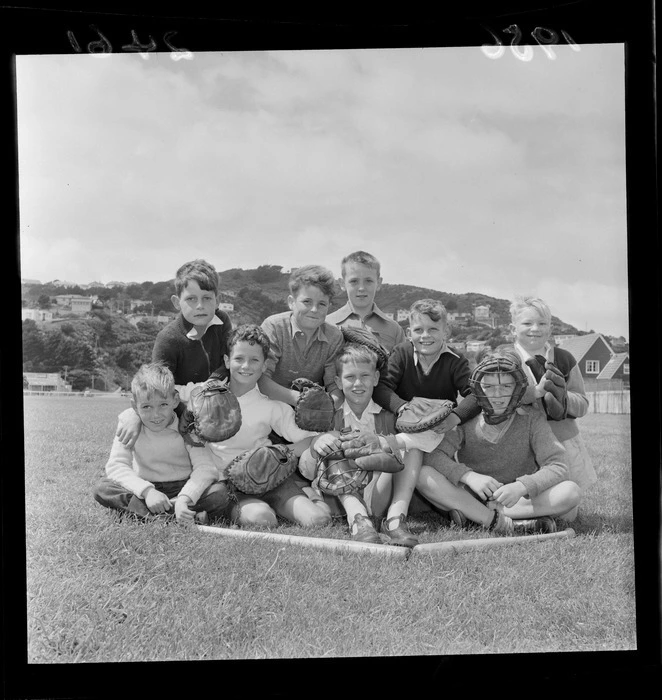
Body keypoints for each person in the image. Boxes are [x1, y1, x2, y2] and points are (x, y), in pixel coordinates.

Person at [415, 349, 581, 532]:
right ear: (478, 387)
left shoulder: (532, 419)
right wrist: (469, 477)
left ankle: (475, 516)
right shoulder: (466, 419)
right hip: (475, 493)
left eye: (506, 387)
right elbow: (433, 456)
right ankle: (499, 520)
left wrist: (521, 487)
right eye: (489, 387)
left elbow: (558, 465)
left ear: (519, 388)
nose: (497, 395)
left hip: (516, 498)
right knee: (423, 475)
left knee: (570, 492)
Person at [188, 324, 331, 528]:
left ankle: (308, 496)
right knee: (263, 519)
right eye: (239, 359)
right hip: (228, 484)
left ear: (264, 366)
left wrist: (275, 452)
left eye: (254, 360)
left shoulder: (270, 404)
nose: (246, 366)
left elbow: (309, 440)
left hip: (270, 479)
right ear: (227, 361)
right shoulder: (205, 396)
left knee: (318, 520)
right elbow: (171, 399)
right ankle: (220, 510)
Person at [298, 344, 442, 543]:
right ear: (338, 382)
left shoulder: (388, 415)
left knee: (411, 446)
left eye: (365, 376)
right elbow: (306, 470)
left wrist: (385, 441)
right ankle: (357, 518)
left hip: (378, 494)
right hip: (338, 497)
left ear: (375, 378)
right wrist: (316, 443)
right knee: (334, 440)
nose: (358, 383)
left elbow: (432, 438)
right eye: (350, 377)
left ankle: (395, 519)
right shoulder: (328, 417)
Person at [370, 299, 477, 546]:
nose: (425, 335)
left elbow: (475, 395)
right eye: (418, 330)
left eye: (433, 329)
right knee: (415, 447)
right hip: (409, 425)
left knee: (425, 455)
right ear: (409, 333)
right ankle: (400, 516)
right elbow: (382, 387)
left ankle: (388, 445)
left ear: (446, 332)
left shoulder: (455, 361)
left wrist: (455, 417)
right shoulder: (402, 353)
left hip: (440, 428)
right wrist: (401, 406)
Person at [115, 258, 232, 447]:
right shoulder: (168, 338)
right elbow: (156, 386)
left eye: (207, 298)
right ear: (177, 302)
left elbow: (229, 363)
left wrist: (212, 388)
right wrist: (189, 415)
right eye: (191, 299)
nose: (200, 305)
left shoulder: (222, 320)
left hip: (218, 398)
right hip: (182, 406)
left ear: (217, 300)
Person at [93, 362, 229, 523]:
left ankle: (153, 514)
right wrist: (147, 492)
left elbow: (206, 468)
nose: (155, 415)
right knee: (103, 488)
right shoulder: (128, 425)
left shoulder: (189, 427)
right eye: (146, 407)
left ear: (175, 400)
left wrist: (184, 499)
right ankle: (176, 517)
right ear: (134, 406)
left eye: (163, 405)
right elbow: (116, 466)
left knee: (220, 493)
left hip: (182, 487)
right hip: (144, 486)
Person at [507, 295, 597, 507]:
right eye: (527, 323)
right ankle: (524, 515)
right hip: (524, 445)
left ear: (550, 328)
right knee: (524, 495)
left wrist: (563, 399)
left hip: (563, 440)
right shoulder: (506, 358)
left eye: (542, 323)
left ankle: (540, 513)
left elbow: (582, 403)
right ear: (513, 329)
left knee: (567, 509)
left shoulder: (565, 358)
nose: (535, 329)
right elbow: (500, 397)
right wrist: (534, 393)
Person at [258, 264, 344, 408]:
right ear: (291, 302)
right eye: (307, 302)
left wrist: (328, 405)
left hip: (310, 413)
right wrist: (302, 400)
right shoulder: (274, 327)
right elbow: (261, 379)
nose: (314, 310)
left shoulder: (334, 337)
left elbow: (333, 384)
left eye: (322, 304)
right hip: (270, 406)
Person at [326, 250, 406, 353]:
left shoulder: (394, 330)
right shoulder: (327, 325)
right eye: (354, 281)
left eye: (368, 281)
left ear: (379, 283)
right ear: (342, 283)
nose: (361, 288)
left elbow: (401, 367)